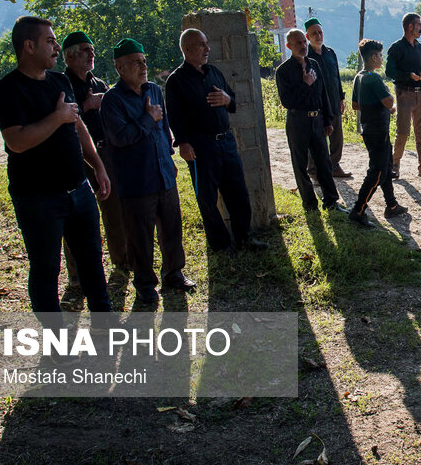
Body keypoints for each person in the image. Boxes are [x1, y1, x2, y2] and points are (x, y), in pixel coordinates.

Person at [0, 16, 113, 327]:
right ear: (29, 46)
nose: (57, 47)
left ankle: (105, 326)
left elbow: (79, 126)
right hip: (38, 199)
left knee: (92, 262)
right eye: (50, 41)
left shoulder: (60, 82)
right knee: (46, 270)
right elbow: (16, 141)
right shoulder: (8, 89)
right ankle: (58, 344)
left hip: (78, 190)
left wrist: (97, 166)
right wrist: (57, 118)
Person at [100, 38, 193, 304]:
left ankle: (174, 274)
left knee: (172, 227)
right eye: (135, 63)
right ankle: (144, 284)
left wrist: (169, 157)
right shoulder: (112, 100)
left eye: (144, 61)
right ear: (119, 67)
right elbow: (120, 137)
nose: (143, 67)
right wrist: (146, 118)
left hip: (162, 172)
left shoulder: (153, 89)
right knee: (140, 235)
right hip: (136, 179)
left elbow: (164, 129)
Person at [165, 28, 267, 254]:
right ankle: (221, 245)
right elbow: (174, 115)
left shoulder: (214, 72)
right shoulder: (176, 81)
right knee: (207, 198)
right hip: (201, 147)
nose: (207, 49)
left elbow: (233, 101)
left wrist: (226, 98)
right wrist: (183, 143)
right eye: (201, 45)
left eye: (206, 43)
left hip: (226, 142)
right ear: (187, 49)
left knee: (238, 192)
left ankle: (244, 238)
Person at [60, 30, 131, 281]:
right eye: (84, 49)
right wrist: (87, 105)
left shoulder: (99, 84)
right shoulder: (61, 83)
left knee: (115, 208)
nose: (91, 53)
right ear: (68, 56)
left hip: (106, 153)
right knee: (77, 215)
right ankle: (78, 274)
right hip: (75, 159)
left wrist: (105, 102)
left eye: (92, 49)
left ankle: (122, 260)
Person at [275, 29, 346, 213]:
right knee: (300, 164)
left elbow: (322, 93)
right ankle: (310, 204)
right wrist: (304, 84)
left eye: (304, 42)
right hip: (298, 121)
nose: (303, 46)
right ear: (289, 46)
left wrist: (328, 120)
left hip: (317, 120)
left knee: (324, 161)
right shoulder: (283, 71)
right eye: (298, 43)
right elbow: (287, 101)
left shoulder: (314, 64)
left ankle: (331, 201)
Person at [348, 39, 409, 228]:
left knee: (386, 166)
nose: (382, 59)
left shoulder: (359, 76)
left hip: (369, 129)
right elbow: (390, 102)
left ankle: (391, 204)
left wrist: (378, 105)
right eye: (380, 55)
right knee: (377, 172)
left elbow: (355, 105)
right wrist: (389, 105)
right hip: (378, 131)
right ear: (373, 56)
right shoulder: (373, 78)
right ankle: (358, 210)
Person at [386, 12, 421, 181]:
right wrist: (409, 76)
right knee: (403, 132)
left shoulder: (419, 47)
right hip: (404, 94)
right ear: (410, 27)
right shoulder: (396, 48)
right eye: (418, 25)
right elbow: (389, 72)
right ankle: (394, 165)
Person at [305, 17, 351, 178]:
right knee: (317, 139)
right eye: (314, 33)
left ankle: (334, 165)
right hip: (317, 105)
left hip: (333, 101)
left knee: (337, 136)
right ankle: (314, 171)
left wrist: (341, 98)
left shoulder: (330, 53)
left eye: (320, 32)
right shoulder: (307, 58)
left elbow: (336, 77)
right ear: (307, 37)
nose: (318, 36)